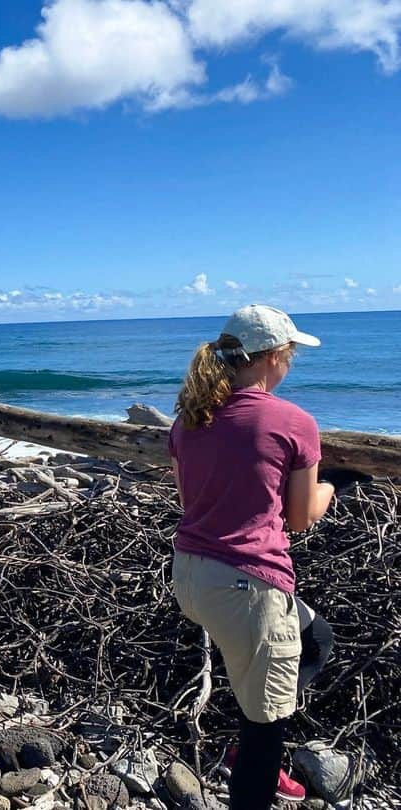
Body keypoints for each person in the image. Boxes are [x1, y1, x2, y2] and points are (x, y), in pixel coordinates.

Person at [169, 305, 338, 809]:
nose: (290, 367)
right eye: (290, 357)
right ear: (274, 357)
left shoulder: (189, 418)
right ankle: (252, 759)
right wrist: (333, 486)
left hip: (191, 576)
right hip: (247, 590)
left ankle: (248, 736)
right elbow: (303, 516)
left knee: (316, 638)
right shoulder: (292, 421)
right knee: (268, 729)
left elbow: (188, 499)